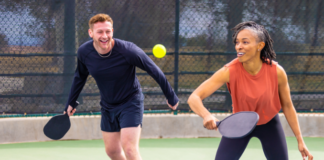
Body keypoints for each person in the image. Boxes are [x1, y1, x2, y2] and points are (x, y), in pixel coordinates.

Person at [187, 21, 313, 160]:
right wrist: (206, 115)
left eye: (245, 42)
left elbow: (288, 106)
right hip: (240, 123)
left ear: (260, 46)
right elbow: (194, 97)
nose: (239, 46)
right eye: (237, 42)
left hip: (269, 123)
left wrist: (300, 140)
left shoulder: (277, 72)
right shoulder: (229, 71)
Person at [64, 13, 179, 160]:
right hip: (107, 105)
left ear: (112, 31)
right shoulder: (84, 52)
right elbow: (80, 76)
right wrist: (71, 102)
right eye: (100, 32)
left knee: (130, 149)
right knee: (112, 151)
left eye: (108, 31)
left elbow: (154, 70)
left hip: (131, 102)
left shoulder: (128, 51)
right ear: (91, 33)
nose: (104, 36)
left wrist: (171, 96)